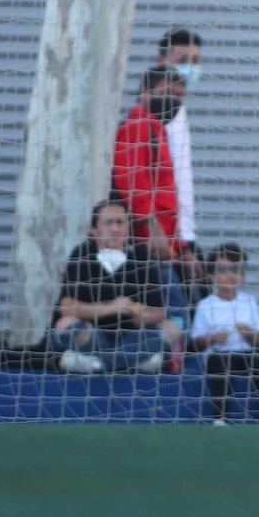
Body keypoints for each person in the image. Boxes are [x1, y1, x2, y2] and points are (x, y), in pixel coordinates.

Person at [111, 65, 191, 364]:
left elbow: (164, 192)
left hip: (165, 244)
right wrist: (153, 226)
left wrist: (180, 247)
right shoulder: (138, 126)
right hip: (149, 244)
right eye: (168, 92)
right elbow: (134, 180)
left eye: (180, 95)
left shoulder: (157, 129)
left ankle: (159, 358)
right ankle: (161, 361)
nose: (175, 99)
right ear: (146, 92)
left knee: (176, 310)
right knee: (174, 311)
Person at [49, 199, 167, 374]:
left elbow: (159, 312)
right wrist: (112, 308)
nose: (114, 229)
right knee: (65, 326)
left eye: (120, 223)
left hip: (130, 337)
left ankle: (101, 364)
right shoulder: (82, 254)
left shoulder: (142, 257)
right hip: (92, 336)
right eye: (108, 223)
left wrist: (142, 315)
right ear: (94, 230)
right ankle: (124, 363)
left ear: (127, 228)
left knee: (161, 335)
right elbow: (67, 307)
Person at [192, 243, 259, 425]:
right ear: (212, 276)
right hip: (219, 355)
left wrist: (249, 333)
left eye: (235, 270)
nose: (230, 275)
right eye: (223, 270)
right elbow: (196, 342)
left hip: (244, 354)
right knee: (219, 366)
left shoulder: (249, 301)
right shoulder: (205, 305)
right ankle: (219, 417)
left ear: (243, 276)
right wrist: (212, 338)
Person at [152, 27, 204, 250]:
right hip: (165, 237)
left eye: (196, 60)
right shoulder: (157, 117)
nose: (189, 67)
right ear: (162, 61)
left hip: (181, 234)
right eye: (183, 60)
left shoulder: (179, 112)